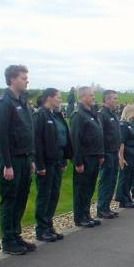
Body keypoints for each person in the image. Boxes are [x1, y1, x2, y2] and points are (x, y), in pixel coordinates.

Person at [0, 64, 36, 255]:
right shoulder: (4, 103)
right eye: (23, 77)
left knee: (21, 198)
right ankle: (8, 240)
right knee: (10, 199)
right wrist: (7, 164)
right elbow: (2, 136)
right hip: (12, 160)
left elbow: (28, 131)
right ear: (12, 79)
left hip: (25, 158)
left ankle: (16, 235)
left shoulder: (22, 101)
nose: (27, 80)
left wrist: (31, 158)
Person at [33, 88, 71, 242]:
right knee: (44, 195)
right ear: (49, 98)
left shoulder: (56, 115)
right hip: (46, 163)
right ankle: (41, 229)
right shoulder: (40, 115)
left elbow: (62, 137)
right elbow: (37, 141)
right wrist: (40, 165)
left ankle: (48, 225)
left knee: (54, 194)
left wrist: (64, 159)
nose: (60, 100)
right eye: (58, 97)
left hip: (57, 160)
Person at [71, 86, 104, 228]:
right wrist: (78, 161)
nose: (93, 97)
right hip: (84, 157)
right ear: (82, 97)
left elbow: (98, 135)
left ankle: (86, 214)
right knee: (81, 189)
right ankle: (80, 217)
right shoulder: (79, 114)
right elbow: (75, 139)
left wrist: (100, 154)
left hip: (94, 156)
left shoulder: (92, 113)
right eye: (91, 95)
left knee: (89, 188)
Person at [96, 90, 121, 220]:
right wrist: (102, 153)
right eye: (114, 99)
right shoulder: (102, 115)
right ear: (107, 100)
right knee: (106, 180)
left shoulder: (113, 114)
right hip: (107, 152)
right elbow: (101, 135)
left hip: (114, 151)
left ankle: (107, 206)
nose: (117, 101)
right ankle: (101, 208)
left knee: (112, 180)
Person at [115, 105, 134, 208]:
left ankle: (127, 197)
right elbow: (121, 143)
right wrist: (121, 158)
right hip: (127, 155)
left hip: (133, 154)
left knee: (130, 178)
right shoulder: (123, 126)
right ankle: (123, 200)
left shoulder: (131, 125)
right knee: (125, 178)